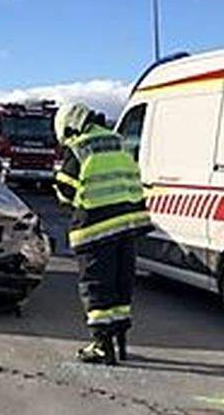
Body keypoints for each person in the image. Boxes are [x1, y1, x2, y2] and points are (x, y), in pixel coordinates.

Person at [52, 102, 153, 364]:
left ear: (70, 125)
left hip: (96, 230)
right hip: (127, 226)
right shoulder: (118, 141)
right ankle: (120, 342)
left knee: (96, 286)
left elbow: (66, 191)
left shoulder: (81, 148)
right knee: (121, 285)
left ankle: (101, 345)